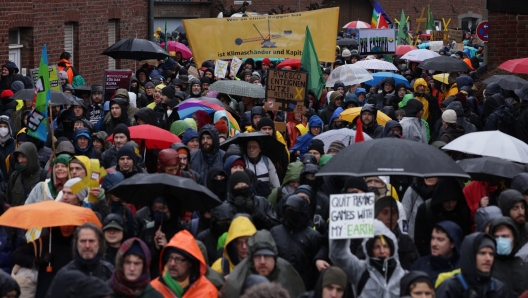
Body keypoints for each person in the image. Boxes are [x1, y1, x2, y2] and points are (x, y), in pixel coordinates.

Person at [330, 219, 406, 297]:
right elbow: (339, 255)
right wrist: (342, 227)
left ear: (392, 248)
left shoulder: (403, 276)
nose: (382, 251)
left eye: (385, 246)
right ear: (370, 249)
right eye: (377, 247)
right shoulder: (360, 270)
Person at [222, 230, 306, 298]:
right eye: (257, 256)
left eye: (267, 256)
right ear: (251, 259)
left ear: (274, 258)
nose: (262, 261)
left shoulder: (287, 272)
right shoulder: (237, 278)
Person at [435, 232, 513, 297]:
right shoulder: (451, 287)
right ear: (470, 256)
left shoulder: (498, 288)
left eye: (491, 254)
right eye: (482, 253)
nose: (488, 258)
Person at [46, 223, 114, 295]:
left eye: (91, 241)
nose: (87, 246)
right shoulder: (64, 274)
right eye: (83, 241)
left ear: (99, 243)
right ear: (76, 243)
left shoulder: (109, 271)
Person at [270, 195, 321, 289]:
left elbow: (315, 268)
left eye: (294, 209)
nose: (290, 211)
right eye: (288, 208)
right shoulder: (275, 232)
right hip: (277, 286)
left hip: (302, 288)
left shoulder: (313, 236)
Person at [150, 230, 218, 297]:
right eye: (170, 258)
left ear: (190, 263)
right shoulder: (153, 289)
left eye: (178, 259)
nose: (172, 263)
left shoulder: (208, 292)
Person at [414, 178, 472, 256]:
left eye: (454, 200)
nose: (451, 204)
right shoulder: (426, 210)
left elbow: (466, 237)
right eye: (447, 201)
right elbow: (420, 240)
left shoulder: (462, 210)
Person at [133, 196, 184, 279]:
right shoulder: (147, 230)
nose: (157, 211)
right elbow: (140, 261)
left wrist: (167, 248)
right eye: (155, 208)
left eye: (162, 208)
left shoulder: (181, 233)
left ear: (171, 210)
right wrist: (155, 248)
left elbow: (183, 264)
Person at [488, 216, 528, 296]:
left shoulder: (524, 265)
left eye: (504, 237)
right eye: (496, 237)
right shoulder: (487, 265)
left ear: (514, 239)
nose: (500, 241)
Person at [6, 142, 42, 206]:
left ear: (31, 157)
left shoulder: (44, 176)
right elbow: (8, 202)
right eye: (18, 157)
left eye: (23, 157)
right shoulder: (15, 177)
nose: (20, 160)